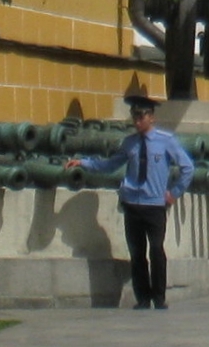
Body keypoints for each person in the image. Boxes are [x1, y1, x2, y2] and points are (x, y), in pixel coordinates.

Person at [69, 94, 195, 310]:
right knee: (137, 252)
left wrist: (174, 193)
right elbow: (110, 165)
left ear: (151, 118)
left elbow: (187, 168)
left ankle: (159, 297)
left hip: (155, 204)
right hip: (133, 203)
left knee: (156, 249)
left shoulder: (166, 141)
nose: (137, 122)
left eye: (141, 117)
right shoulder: (130, 143)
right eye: (134, 117)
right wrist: (83, 162)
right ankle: (143, 298)